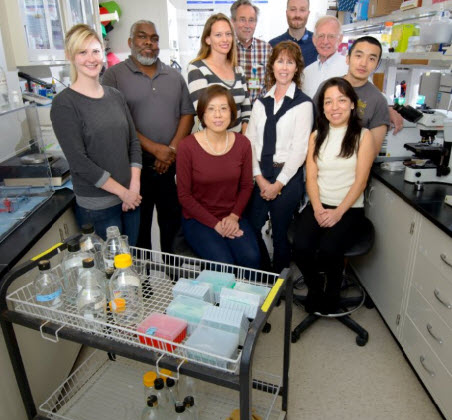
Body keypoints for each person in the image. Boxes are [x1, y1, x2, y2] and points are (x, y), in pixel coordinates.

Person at [102, 20, 194, 252]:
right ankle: (142, 286)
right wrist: (155, 149)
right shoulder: (114, 77)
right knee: (138, 232)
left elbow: (187, 114)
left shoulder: (174, 75)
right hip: (134, 168)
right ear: (130, 42)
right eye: (142, 37)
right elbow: (119, 122)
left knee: (173, 227)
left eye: (154, 38)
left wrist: (170, 151)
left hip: (171, 165)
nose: (149, 43)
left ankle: (175, 282)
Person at [51, 24, 142, 243]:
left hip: (132, 199)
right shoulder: (65, 104)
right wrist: (123, 192)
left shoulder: (115, 96)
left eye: (95, 51)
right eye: (82, 52)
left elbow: (133, 143)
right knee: (110, 271)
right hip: (99, 207)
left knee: (137, 263)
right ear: (70, 56)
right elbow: (80, 162)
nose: (91, 59)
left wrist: (134, 187)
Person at [293, 77, 375, 314]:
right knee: (300, 247)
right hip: (320, 202)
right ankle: (315, 286)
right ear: (323, 107)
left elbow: (361, 181)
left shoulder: (363, 136)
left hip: (349, 208)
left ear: (352, 104)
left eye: (341, 100)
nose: (334, 107)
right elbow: (311, 177)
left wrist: (338, 212)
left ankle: (333, 292)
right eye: (328, 102)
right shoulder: (316, 136)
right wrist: (317, 208)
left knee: (329, 249)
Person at [246, 41, 313, 273]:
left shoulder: (303, 104)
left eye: (290, 62)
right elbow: (250, 143)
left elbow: (300, 149)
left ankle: (279, 284)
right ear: (272, 66)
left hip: (288, 176)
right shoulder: (260, 103)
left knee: (281, 234)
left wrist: (279, 183)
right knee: (252, 227)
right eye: (280, 61)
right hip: (261, 174)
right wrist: (260, 179)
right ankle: (265, 272)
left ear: (297, 68)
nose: (284, 67)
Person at [176, 85, 260, 268]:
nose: (218, 115)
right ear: (202, 114)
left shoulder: (242, 143)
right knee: (224, 263)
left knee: (251, 257)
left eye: (223, 108)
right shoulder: (187, 147)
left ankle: (245, 297)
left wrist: (233, 217)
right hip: (198, 219)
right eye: (211, 109)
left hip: (232, 214)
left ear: (232, 113)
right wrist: (215, 224)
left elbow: (247, 186)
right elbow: (184, 196)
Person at [187, 13, 251, 132]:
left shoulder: (238, 70)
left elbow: (246, 111)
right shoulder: (197, 69)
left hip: (238, 142)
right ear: (207, 39)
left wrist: (242, 140)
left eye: (228, 34)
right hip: (212, 145)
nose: (225, 39)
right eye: (218, 35)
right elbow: (204, 114)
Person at [343, 36, 391, 156]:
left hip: (355, 169)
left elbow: (373, 151)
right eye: (358, 56)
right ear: (348, 59)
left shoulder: (378, 100)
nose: (363, 63)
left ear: (377, 65)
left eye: (371, 59)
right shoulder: (328, 88)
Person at [230, 0, 272, 105]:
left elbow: (271, 83)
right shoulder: (226, 48)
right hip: (233, 112)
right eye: (242, 19)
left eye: (251, 20)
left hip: (259, 111)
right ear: (233, 22)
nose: (247, 25)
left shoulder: (266, 49)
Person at [302, 16, 348, 98]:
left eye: (331, 36)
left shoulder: (349, 68)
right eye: (321, 36)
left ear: (340, 39)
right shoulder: (306, 72)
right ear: (314, 39)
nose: (325, 41)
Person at [269, 0, 317, 67]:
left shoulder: (318, 44)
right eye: (293, 9)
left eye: (302, 10)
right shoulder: (273, 45)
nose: (297, 15)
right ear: (287, 13)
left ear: (308, 13)